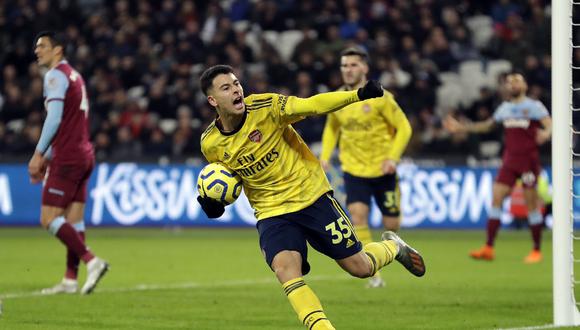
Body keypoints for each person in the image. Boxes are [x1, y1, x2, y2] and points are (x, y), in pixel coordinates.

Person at [197, 64, 426, 330]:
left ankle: (394, 247)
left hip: (312, 197)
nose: (236, 89)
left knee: (360, 267)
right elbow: (229, 179)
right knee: (285, 270)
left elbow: (313, 105)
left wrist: (358, 95)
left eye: (236, 83)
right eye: (226, 87)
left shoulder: (267, 108)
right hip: (271, 212)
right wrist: (214, 203)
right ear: (213, 100)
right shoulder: (210, 143)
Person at [320, 47, 412, 288]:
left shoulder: (381, 97)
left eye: (353, 65)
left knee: (391, 224)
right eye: (344, 66)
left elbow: (404, 128)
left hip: (383, 170)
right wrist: (325, 156)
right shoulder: (338, 99)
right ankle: (374, 274)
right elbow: (332, 127)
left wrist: (393, 158)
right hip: (353, 170)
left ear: (364, 68)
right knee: (358, 216)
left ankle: (393, 248)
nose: (348, 70)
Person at [28, 31, 109, 294]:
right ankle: (70, 279)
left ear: (58, 50)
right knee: (75, 220)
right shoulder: (75, 76)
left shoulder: (54, 76)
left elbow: (55, 118)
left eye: (43, 46)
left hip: (68, 156)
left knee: (48, 218)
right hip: (84, 153)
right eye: (36, 46)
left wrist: (39, 153)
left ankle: (92, 261)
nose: (37, 50)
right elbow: (73, 121)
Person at [444, 72, 552, 264]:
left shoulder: (534, 107)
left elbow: (549, 124)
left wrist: (546, 133)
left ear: (525, 85)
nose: (513, 84)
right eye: (510, 82)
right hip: (510, 160)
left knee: (530, 205)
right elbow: (487, 126)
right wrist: (462, 128)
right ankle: (488, 248)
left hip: (528, 161)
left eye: (517, 80)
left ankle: (536, 250)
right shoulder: (505, 108)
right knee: (496, 199)